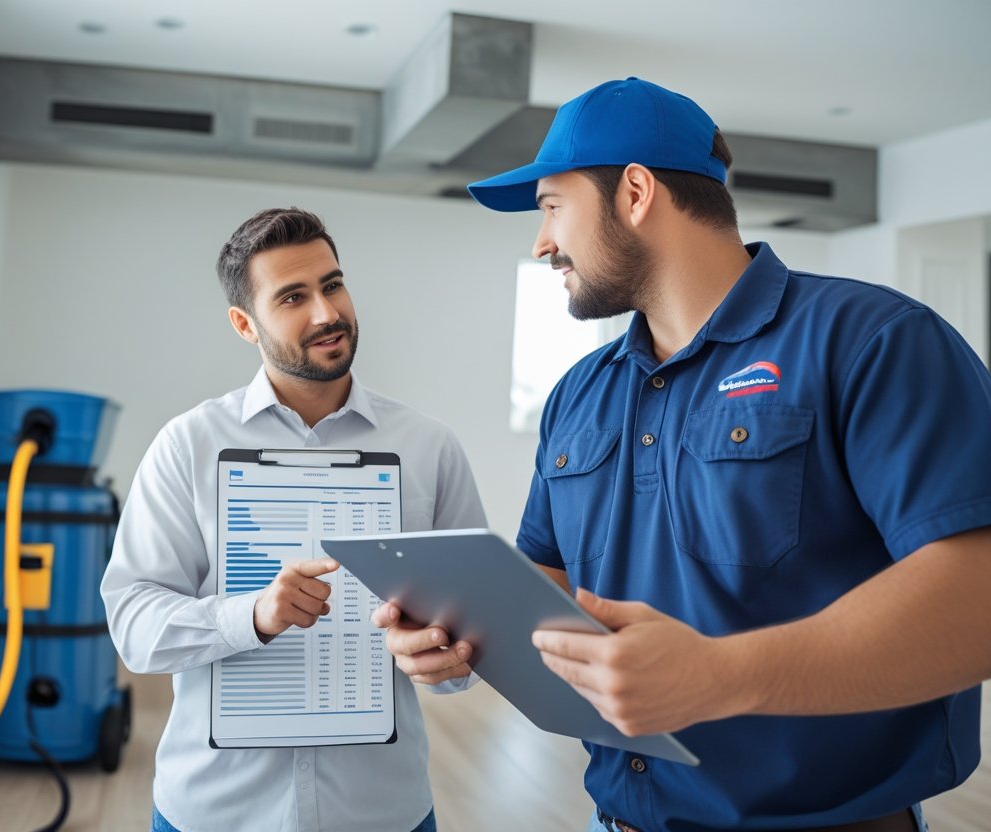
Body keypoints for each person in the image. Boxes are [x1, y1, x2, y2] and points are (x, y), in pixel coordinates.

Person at [374, 77, 991, 832]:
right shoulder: (579, 393)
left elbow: (978, 600)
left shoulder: (874, 341)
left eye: (550, 207)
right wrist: (462, 633)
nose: (540, 243)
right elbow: (550, 581)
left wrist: (724, 677)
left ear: (635, 191)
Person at [101, 207, 486, 832]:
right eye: (292, 297)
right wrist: (252, 615)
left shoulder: (429, 449)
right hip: (214, 812)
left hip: (382, 812)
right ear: (244, 324)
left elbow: (472, 643)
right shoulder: (187, 445)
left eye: (332, 285)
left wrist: (451, 657)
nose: (326, 313)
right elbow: (134, 625)